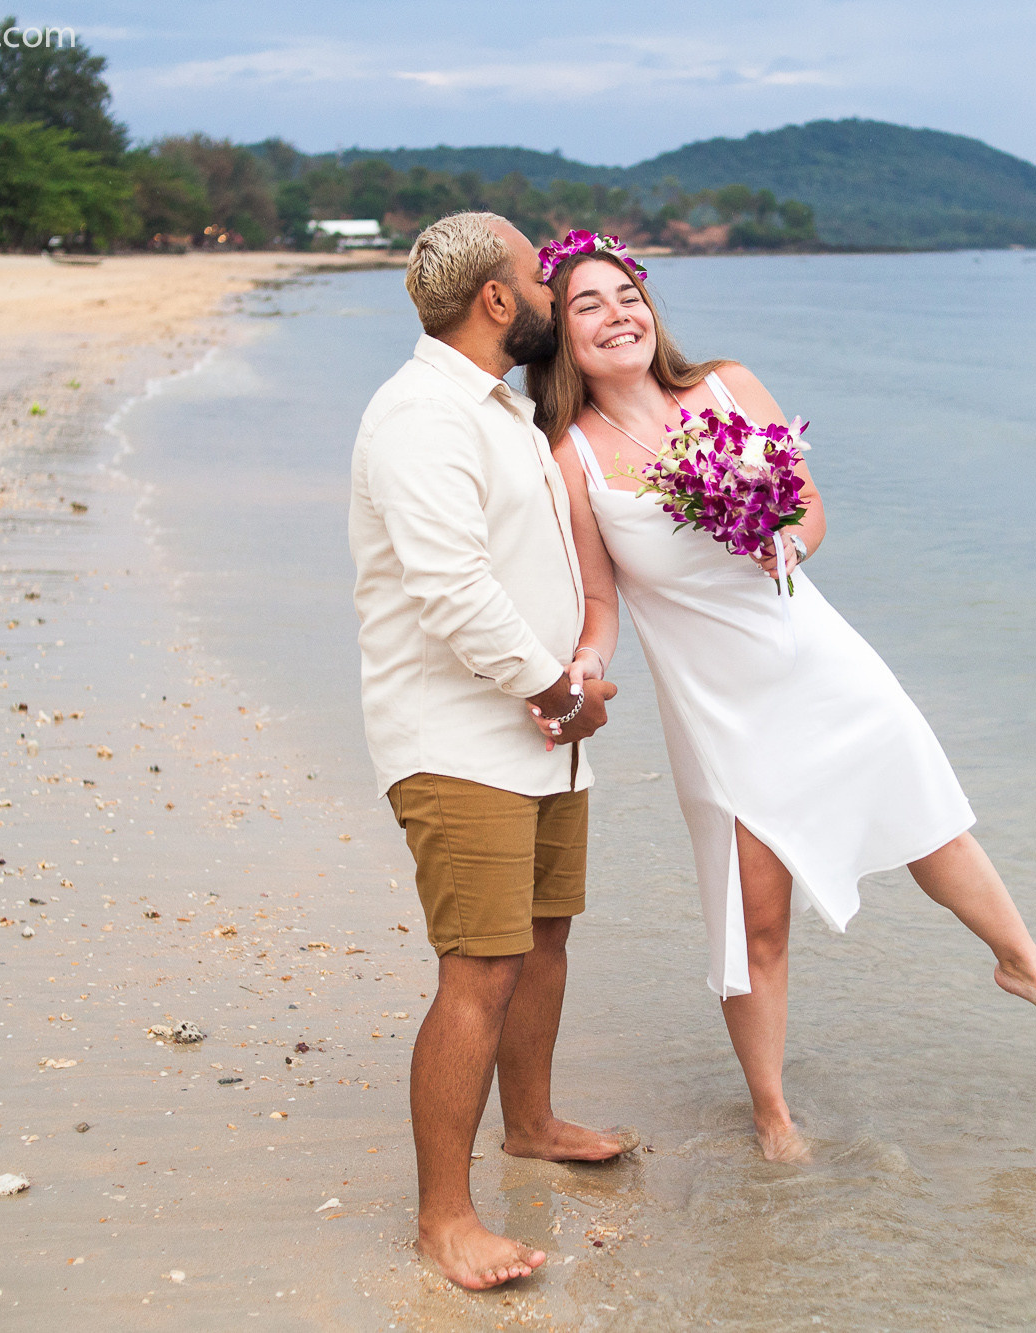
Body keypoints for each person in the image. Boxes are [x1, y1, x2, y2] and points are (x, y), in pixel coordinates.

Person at [525, 233, 1036, 1164]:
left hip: (818, 659)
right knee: (756, 913)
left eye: (625, 293)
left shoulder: (727, 386)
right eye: (586, 305)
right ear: (564, 340)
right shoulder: (571, 458)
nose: (615, 313)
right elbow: (601, 600)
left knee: (928, 821)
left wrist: (788, 542)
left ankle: (1025, 966)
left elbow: (810, 507)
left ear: (650, 307)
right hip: (720, 706)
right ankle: (773, 1113)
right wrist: (583, 667)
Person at [349, 212, 630, 1291]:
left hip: (540, 736)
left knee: (544, 936)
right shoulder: (418, 414)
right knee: (480, 966)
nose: (560, 296)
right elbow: (448, 585)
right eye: (543, 279)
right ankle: (443, 1217)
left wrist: (573, 681)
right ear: (499, 302)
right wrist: (558, 689)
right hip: (459, 737)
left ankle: (534, 1121)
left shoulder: (500, 409)